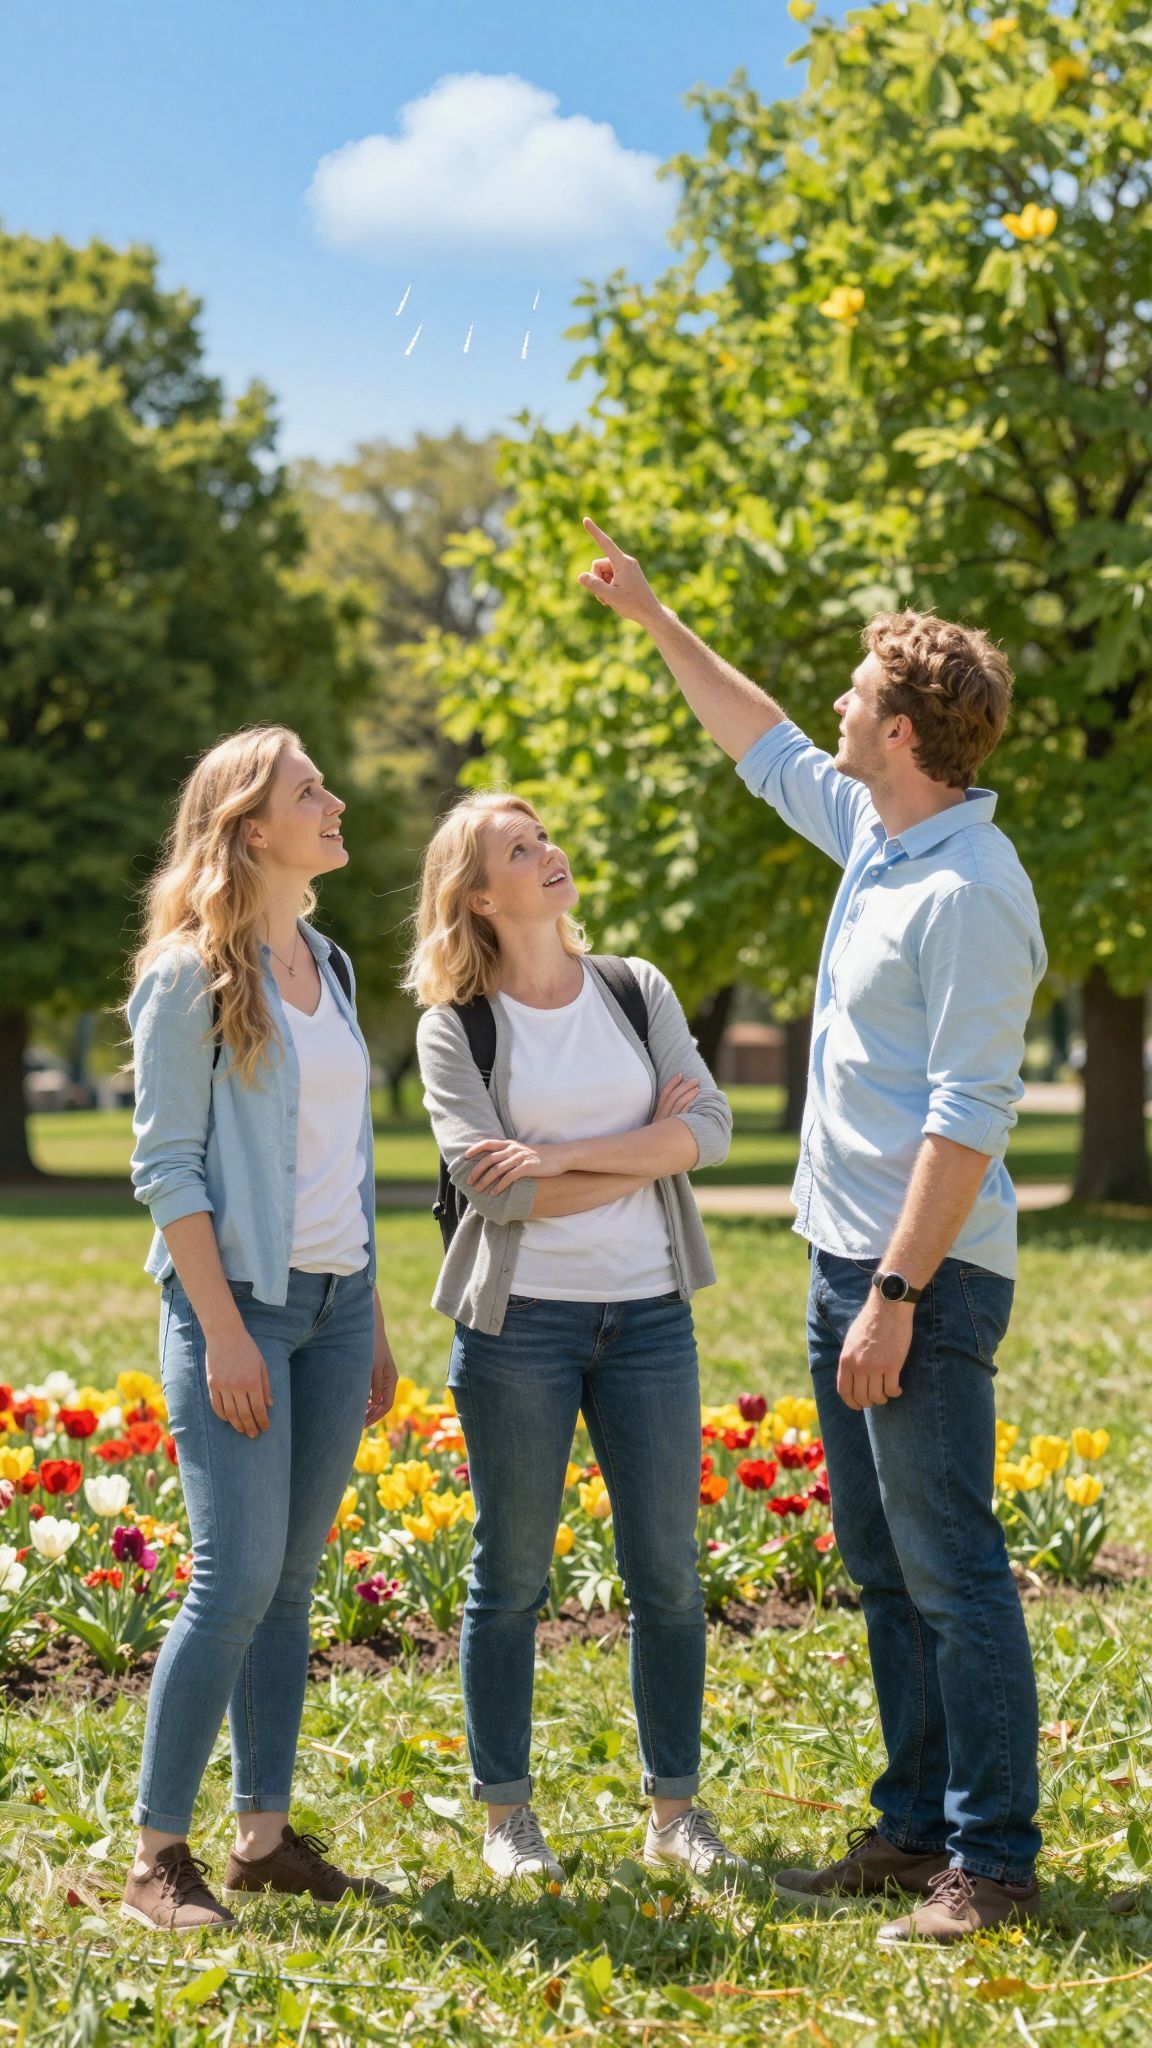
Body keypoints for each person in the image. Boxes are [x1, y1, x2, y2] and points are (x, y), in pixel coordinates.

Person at [578, 519, 1045, 1946]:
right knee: (884, 1562)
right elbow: (761, 738)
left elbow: (970, 1117)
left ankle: (993, 1860)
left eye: (854, 692)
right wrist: (654, 619)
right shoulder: (881, 834)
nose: (831, 704)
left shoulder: (969, 889)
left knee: (951, 1564)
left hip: (924, 1275)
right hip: (852, 1266)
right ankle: (912, 1831)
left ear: (900, 730)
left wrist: (898, 1291)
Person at [408, 791, 747, 1887]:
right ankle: (507, 1816)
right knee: (509, 1576)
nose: (549, 851)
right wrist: (640, 1148)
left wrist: (548, 1158)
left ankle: (675, 1811)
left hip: (651, 1311)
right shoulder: (456, 1025)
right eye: (520, 847)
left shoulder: (632, 987)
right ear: (477, 895)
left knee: (668, 1573)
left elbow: (709, 1131)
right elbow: (487, 1195)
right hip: (519, 1329)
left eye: (546, 833)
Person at [121, 725, 398, 1932]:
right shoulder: (190, 972)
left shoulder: (327, 962)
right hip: (239, 1308)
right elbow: (168, 1170)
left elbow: (348, 1158)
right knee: (229, 1575)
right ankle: (155, 1858)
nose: (334, 802)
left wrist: (373, 1317)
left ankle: (264, 1838)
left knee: (289, 1583)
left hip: (337, 1310)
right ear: (249, 828)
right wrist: (226, 1331)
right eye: (308, 791)